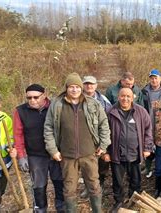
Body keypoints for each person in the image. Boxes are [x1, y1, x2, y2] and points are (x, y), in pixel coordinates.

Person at [44, 72, 111, 213]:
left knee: (94, 185)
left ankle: (97, 210)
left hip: (89, 154)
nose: (74, 90)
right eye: (71, 87)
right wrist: (53, 150)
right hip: (67, 156)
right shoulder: (57, 105)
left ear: (81, 88)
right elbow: (48, 127)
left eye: (77, 87)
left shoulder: (92, 103)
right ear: (66, 88)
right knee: (69, 188)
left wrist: (103, 145)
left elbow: (104, 124)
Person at [13, 84, 65, 212]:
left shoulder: (55, 107)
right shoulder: (20, 111)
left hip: (56, 154)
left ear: (44, 95)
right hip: (35, 155)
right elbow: (18, 135)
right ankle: (40, 209)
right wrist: (21, 156)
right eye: (29, 98)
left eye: (36, 97)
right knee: (39, 186)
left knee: (60, 183)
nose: (32, 100)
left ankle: (62, 208)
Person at [105, 87, 154, 211]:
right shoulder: (111, 112)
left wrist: (147, 147)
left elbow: (148, 130)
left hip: (135, 153)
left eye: (128, 96)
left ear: (133, 98)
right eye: (122, 96)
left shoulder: (141, 112)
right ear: (118, 97)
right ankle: (119, 202)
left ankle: (134, 201)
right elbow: (104, 133)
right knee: (118, 181)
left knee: (136, 180)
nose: (125, 99)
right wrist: (105, 152)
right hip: (117, 154)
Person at [81, 75, 112, 198]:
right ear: (83, 85)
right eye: (87, 84)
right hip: (84, 140)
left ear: (96, 86)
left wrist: (105, 142)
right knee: (85, 166)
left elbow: (109, 120)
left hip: (100, 139)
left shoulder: (103, 100)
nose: (89, 86)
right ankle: (88, 188)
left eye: (92, 84)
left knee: (102, 165)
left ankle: (101, 185)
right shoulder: (77, 99)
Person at [140, 69, 161, 178]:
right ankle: (148, 167)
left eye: (156, 78)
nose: (154, 80)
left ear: (160, 79)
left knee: (160, 144)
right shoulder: (144, 91)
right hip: (148, 121)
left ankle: (159, 168)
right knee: (148, 143)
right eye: (152, 78)